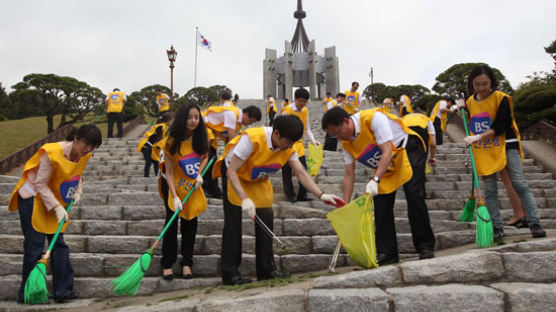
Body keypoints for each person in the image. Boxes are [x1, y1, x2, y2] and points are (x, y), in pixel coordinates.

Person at [212, 115, 342, 285]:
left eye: (293, 142)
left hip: (258, 178)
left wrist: (321, 194)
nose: (289, 146)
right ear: (276, 134)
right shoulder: (252, 139)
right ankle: (230, 274)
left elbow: (301, 172)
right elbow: (231, 171)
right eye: (288, 141)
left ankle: (266, 271)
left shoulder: (289, 146)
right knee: (233, 224)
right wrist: (244, 198)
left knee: (266, 219)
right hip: (235, 174)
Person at [322, 106, 436, 264]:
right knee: (381, 204)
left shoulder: (373, 118)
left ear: (347, 122)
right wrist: (345, 203)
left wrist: (375, 180)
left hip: (407, 150)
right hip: (385, 165)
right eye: (334, 136)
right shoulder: (346, 143)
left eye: (338, 133)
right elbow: (349, 173)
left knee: (414, 195)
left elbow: (387, 151)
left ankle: (425, 246)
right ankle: (387, 253)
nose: (338, 138)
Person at [8, 124, 102, 304]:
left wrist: (78, 191)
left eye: (93, 146)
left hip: (52, 197)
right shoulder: (52, 153)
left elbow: (77, 174)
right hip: (32, 198)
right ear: (76, 139)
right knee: (34, 246)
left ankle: (63, 290)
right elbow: (40, 185)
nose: (88, 149)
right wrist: (58, 208)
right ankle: (29, 293)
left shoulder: (84, 155)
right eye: (86, 144)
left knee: (59, 245)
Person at [458, 64, 546, 241]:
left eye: (485, 83)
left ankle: (534, 222)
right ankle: (496, 227)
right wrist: (462, 111)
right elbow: (471, 122)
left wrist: (478, 137)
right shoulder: (470, 101)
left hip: (506, 143)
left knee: (520, 184)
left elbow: (501, 125)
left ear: (491, 82)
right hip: (486, 148)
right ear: (471, 84)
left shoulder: (502, 98)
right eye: (477, 84)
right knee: (490, 189)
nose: (481, 88)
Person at [158, 103, 209, 280]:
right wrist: (174, 196)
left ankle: (187, 262)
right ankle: (167, 262)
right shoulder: (171, 140)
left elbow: (206, 156)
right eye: (189, 117)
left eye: (196, 117)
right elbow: (169, 171)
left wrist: (199, 174)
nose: (193, 121)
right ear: (182, 118)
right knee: (171, 223)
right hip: (173, 184)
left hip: (191, 184)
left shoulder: (202, 136)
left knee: (190, 222)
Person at [202, 104, 262, 198]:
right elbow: (232, 139)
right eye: (250, 121)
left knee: (213, 160)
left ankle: (213, 189)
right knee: (209, 159)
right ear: (246, 114)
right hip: (202, 127)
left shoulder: (238, 123)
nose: (249, 124)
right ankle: (205, 188)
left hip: (210, 134)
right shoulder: (232, 114)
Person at [281, 88, 321, 202]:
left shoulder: (305, 111)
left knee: (303, 169)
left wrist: (313, 141)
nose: (302, 104)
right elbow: (281, 126)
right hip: (287, 144)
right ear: (295, 99)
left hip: (299, 144)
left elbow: (307, 128)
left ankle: (302, 194)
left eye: (305, 101)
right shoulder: (287, 110)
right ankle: (289, 194)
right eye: (300, 101)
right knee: (287, 170)